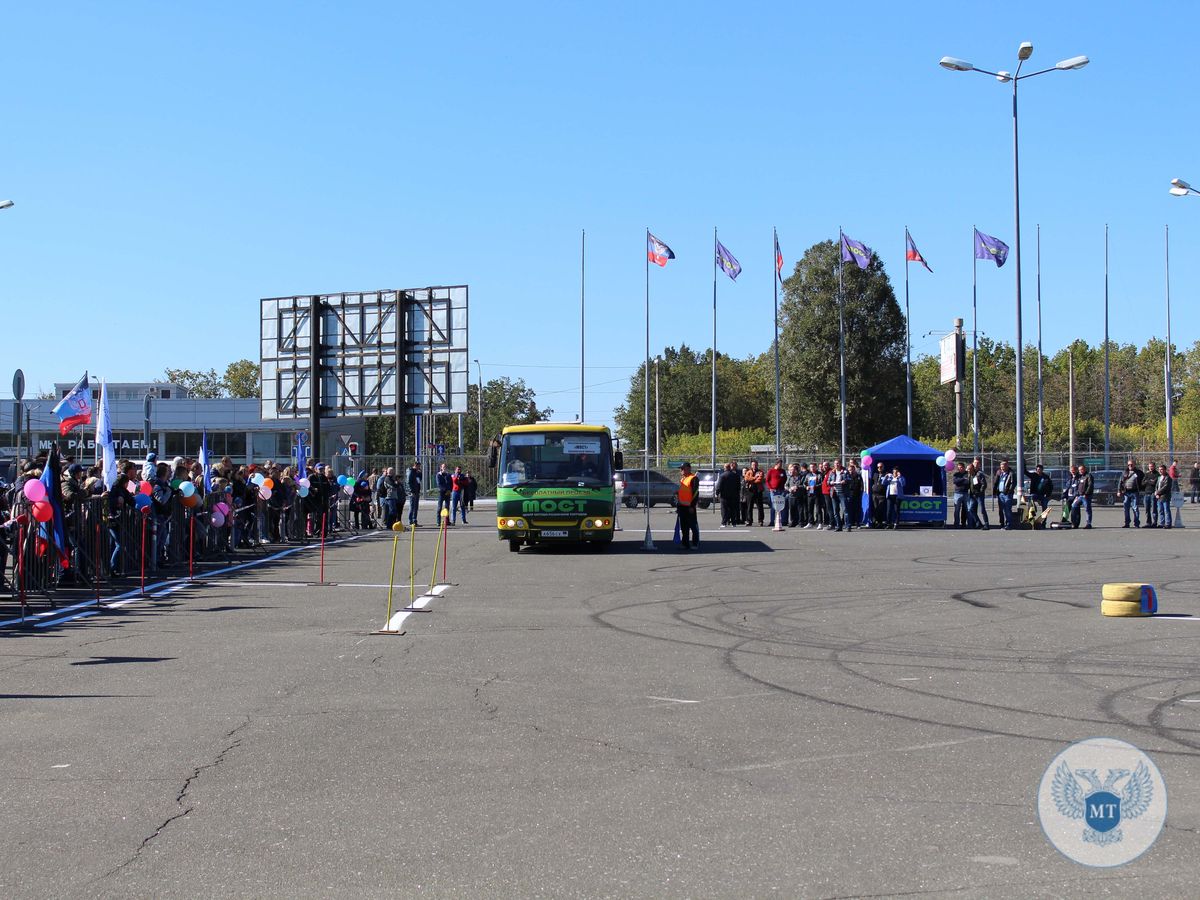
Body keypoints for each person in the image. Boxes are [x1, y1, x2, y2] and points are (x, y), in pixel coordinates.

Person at [675, 462, 700, 550]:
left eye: (683, 468)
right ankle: (685, 543)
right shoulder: (683, 479)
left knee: (693, 525)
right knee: (684, 526)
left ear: (689, 468)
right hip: (682, 506)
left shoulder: (693, 478)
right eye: (681, 469)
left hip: (689, 507)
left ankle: (695, 543)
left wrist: (692, 506)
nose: (681, 470)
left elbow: (695, 493)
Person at [715, 462, 741, 528]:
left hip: (724, 496)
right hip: (734, 495)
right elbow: (739, 486)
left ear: (725, 468)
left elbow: (719, 486)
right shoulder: (736, 475)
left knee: (724, 509)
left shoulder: (722, 476)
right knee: (733, 509)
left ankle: (724, 523)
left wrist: (717, 493)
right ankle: (733, 523)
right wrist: (737, 493)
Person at [993, 460, 1017, 530]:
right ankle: (1002, 523)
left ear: (1007, 466)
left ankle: (1009, 524)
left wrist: (1009, 491)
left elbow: (1013, 483)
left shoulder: (1011, 473)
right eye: (1001, 467)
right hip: (1000, 494)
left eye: (1003, 467)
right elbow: (996, 483)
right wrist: (994, 492)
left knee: (1007, 510)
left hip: (1007, 494)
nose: (1002, 468)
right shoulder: (999, 473)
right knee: (1001, 510)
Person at [765, 459, 787, 532]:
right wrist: (770, 488)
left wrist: (783, 486)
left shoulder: (783, 471)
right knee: (773, 506)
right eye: (780, 464)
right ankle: (772, 521)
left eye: (781, 464)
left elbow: (785, 479)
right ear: (776, 464)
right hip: (773, 491)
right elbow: (767, 480)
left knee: (781, 505)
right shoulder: (771, 471)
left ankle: (782, 521)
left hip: (781, 490)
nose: (781, 465)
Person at [967, 461, 989, 530]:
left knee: (982, 510)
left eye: (969, 469)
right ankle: (978, 523)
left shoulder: (979, 474)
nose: (968, 471)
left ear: (972, 469)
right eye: (967, 469)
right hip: (972, 495)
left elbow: (984, 484)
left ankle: (986, 524)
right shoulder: (970, 475)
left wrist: (980, 492)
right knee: (971, 509)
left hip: (979, 495)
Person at [742, 460, 765, 526]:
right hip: (750, 491)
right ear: (751, 465)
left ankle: (760, 521)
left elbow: (760, 480)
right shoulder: (749, 472)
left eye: (755, 464)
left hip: (758, 491)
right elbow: (746, 479)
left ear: (757, 465)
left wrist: (752, 479)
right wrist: (755, 477)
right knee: (749, 507)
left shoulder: (760, 472)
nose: (754, 466)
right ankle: (749, 521)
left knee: (760, 507)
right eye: (753, 465)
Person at [1074, 463, 1094, 529]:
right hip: (1080, 496)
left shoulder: (1088, 476)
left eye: (1081, 470)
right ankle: (1076, 522)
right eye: (1079, 470)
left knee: (1087, 509)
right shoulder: (1080, 477)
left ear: (1084, 469)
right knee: (1074, 506)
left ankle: (1088, 523)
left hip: (1086, 496)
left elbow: (1090, 485)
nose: (1080, 471)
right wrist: (1077, 495)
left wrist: (1086, 493)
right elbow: (1078, 486)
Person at [785, 463, 805, 528]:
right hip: (791, 496)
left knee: (800, 510)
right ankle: (793, 522)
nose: (791, 471)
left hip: (799, 496)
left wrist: (797, 487)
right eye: (790, 470)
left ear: (796, 470)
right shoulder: (790, 477)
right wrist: (789, 489)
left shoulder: (801, 477)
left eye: (793, 470)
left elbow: (804, 485)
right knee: (792, 510)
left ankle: (800, 522)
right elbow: (786, 485)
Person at [951, 462, 970, 528]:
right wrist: (963, 479)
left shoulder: (967, 474)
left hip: (965, 493)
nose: (960, 469)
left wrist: (961, 481)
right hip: (957, 493)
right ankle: (956, 524)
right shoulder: (956, 474)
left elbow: (967, 482)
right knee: (957, 510)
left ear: (964, 467)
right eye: (958, 468)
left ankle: (966, 523)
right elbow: (955, 482)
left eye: (961, 467)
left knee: (967, 509)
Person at [1155, 462, 1173, 529]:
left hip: (1165, 496)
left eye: (1161, 469)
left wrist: (1158, 493)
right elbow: (1157, 486)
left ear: (1165, 470)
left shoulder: (1168, 478)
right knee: (1160, 510)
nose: (1160, 470)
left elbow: (1165, 487)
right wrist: (1156, 492)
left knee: (1166, 510)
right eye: (1159, 469)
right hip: (1159, 497)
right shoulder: (1159, 477)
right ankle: (1162, 523)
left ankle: (1168, 523)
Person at [1143, 462, 1159, 528]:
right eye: (1149, 466)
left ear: (1154, 466)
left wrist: (1147, 481)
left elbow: (1154, 483)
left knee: (1154, 509)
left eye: (1152, 466)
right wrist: (1149, 481)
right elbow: (1142, 483)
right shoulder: (1147, 474)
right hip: (1147, 493)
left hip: (1153, 493)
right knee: (1147, 509)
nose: (1150, 468)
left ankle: (1154, 523)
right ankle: (1148, 523)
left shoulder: (1157, 474)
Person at [407, 461, 423, 526]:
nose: (419, 467)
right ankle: (410, 521)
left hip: (417, 491)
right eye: (418, 466)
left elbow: (419, 480)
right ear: (415, 465)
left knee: (416, 507)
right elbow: (408, 482)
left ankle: (415, 521)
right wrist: (411, 491)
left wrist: (420, 473)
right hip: (412, 492)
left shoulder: (417, 472)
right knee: (412, 506)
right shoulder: (411, 472)